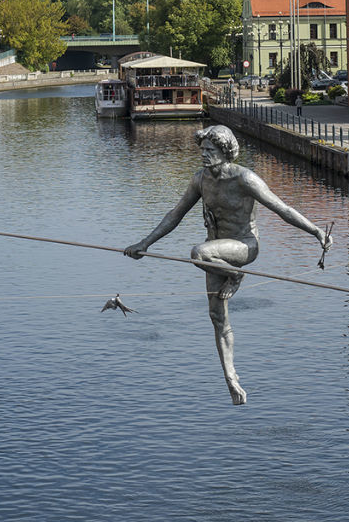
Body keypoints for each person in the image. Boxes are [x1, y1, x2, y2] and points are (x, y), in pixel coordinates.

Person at [124, 125, 331, 405]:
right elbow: (175, 214)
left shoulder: (245, 178)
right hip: (217, 251)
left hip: (243, 246)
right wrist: (145, 243)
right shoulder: (201, 180)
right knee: (217, 317)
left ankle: (235, 275)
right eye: (203, 150)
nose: (204, 155)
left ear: (225, 152)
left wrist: (316, 231)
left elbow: (283, 209)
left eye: (211, 150)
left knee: (197, 253)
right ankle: (232, 381)